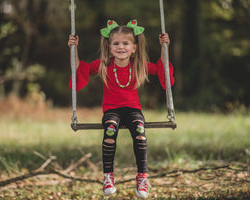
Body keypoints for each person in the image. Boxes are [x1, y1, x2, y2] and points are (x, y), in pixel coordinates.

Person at [68, 19, 174, 198]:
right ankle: (108, 177)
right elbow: (79, 68)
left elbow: (163, 69)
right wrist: (74, 48)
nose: (121, 47)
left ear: (134, 47)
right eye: (116, 43)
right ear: (109, 47)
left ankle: (142, 177)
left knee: (140, 132)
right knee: (110, 129)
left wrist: (165, 48)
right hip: (112, 110)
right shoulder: (104, 65)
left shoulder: (139, 65)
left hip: (133, 110)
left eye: (126, 43)